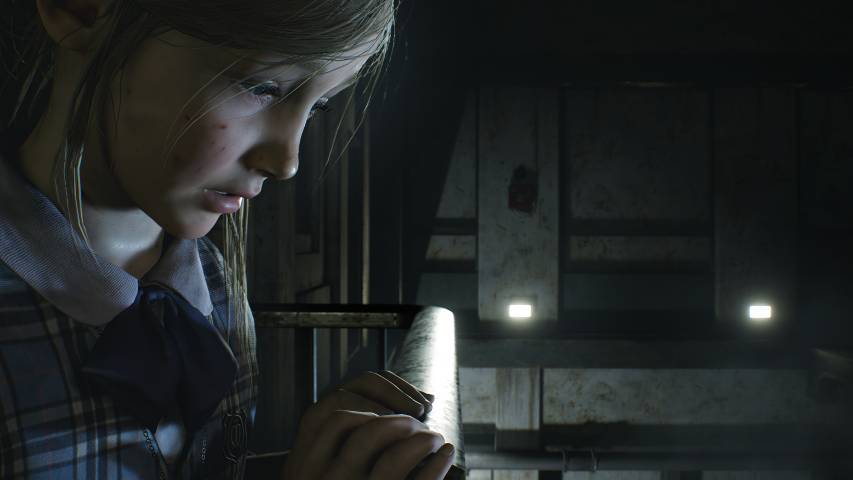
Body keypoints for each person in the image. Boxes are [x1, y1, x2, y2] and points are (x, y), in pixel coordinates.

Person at [0, 0, 456, 478]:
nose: (287, 161)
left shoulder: (217, 283)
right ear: (81, 9)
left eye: (318, 107)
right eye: (261, 86)